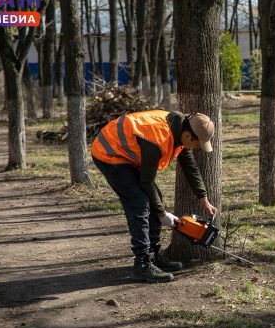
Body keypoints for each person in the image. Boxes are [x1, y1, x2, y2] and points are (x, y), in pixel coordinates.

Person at [91, 110, 218, 283]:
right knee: (140, 203)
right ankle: (142, 264)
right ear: (188, 136)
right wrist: (161, 214)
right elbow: (147, 181)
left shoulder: (181, 129)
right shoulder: (157, 138)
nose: (195, 148)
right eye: (196, 145)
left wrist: (203, 198)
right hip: (110, 152)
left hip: (128, 154)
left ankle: (154, 255)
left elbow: (189, 166)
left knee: (154, 197)